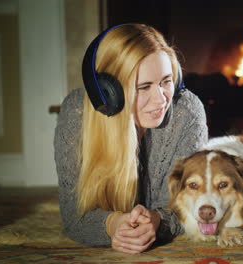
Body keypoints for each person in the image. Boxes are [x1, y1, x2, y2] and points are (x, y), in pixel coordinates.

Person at [54, 24, 208, 254]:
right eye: (143, 87)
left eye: (166, 81)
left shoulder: (187, 110)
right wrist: (113, 225)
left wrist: (157, 220)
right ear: (108, 92)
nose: (160, 101)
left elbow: (190, 204)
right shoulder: (77, 113)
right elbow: (74, 216)